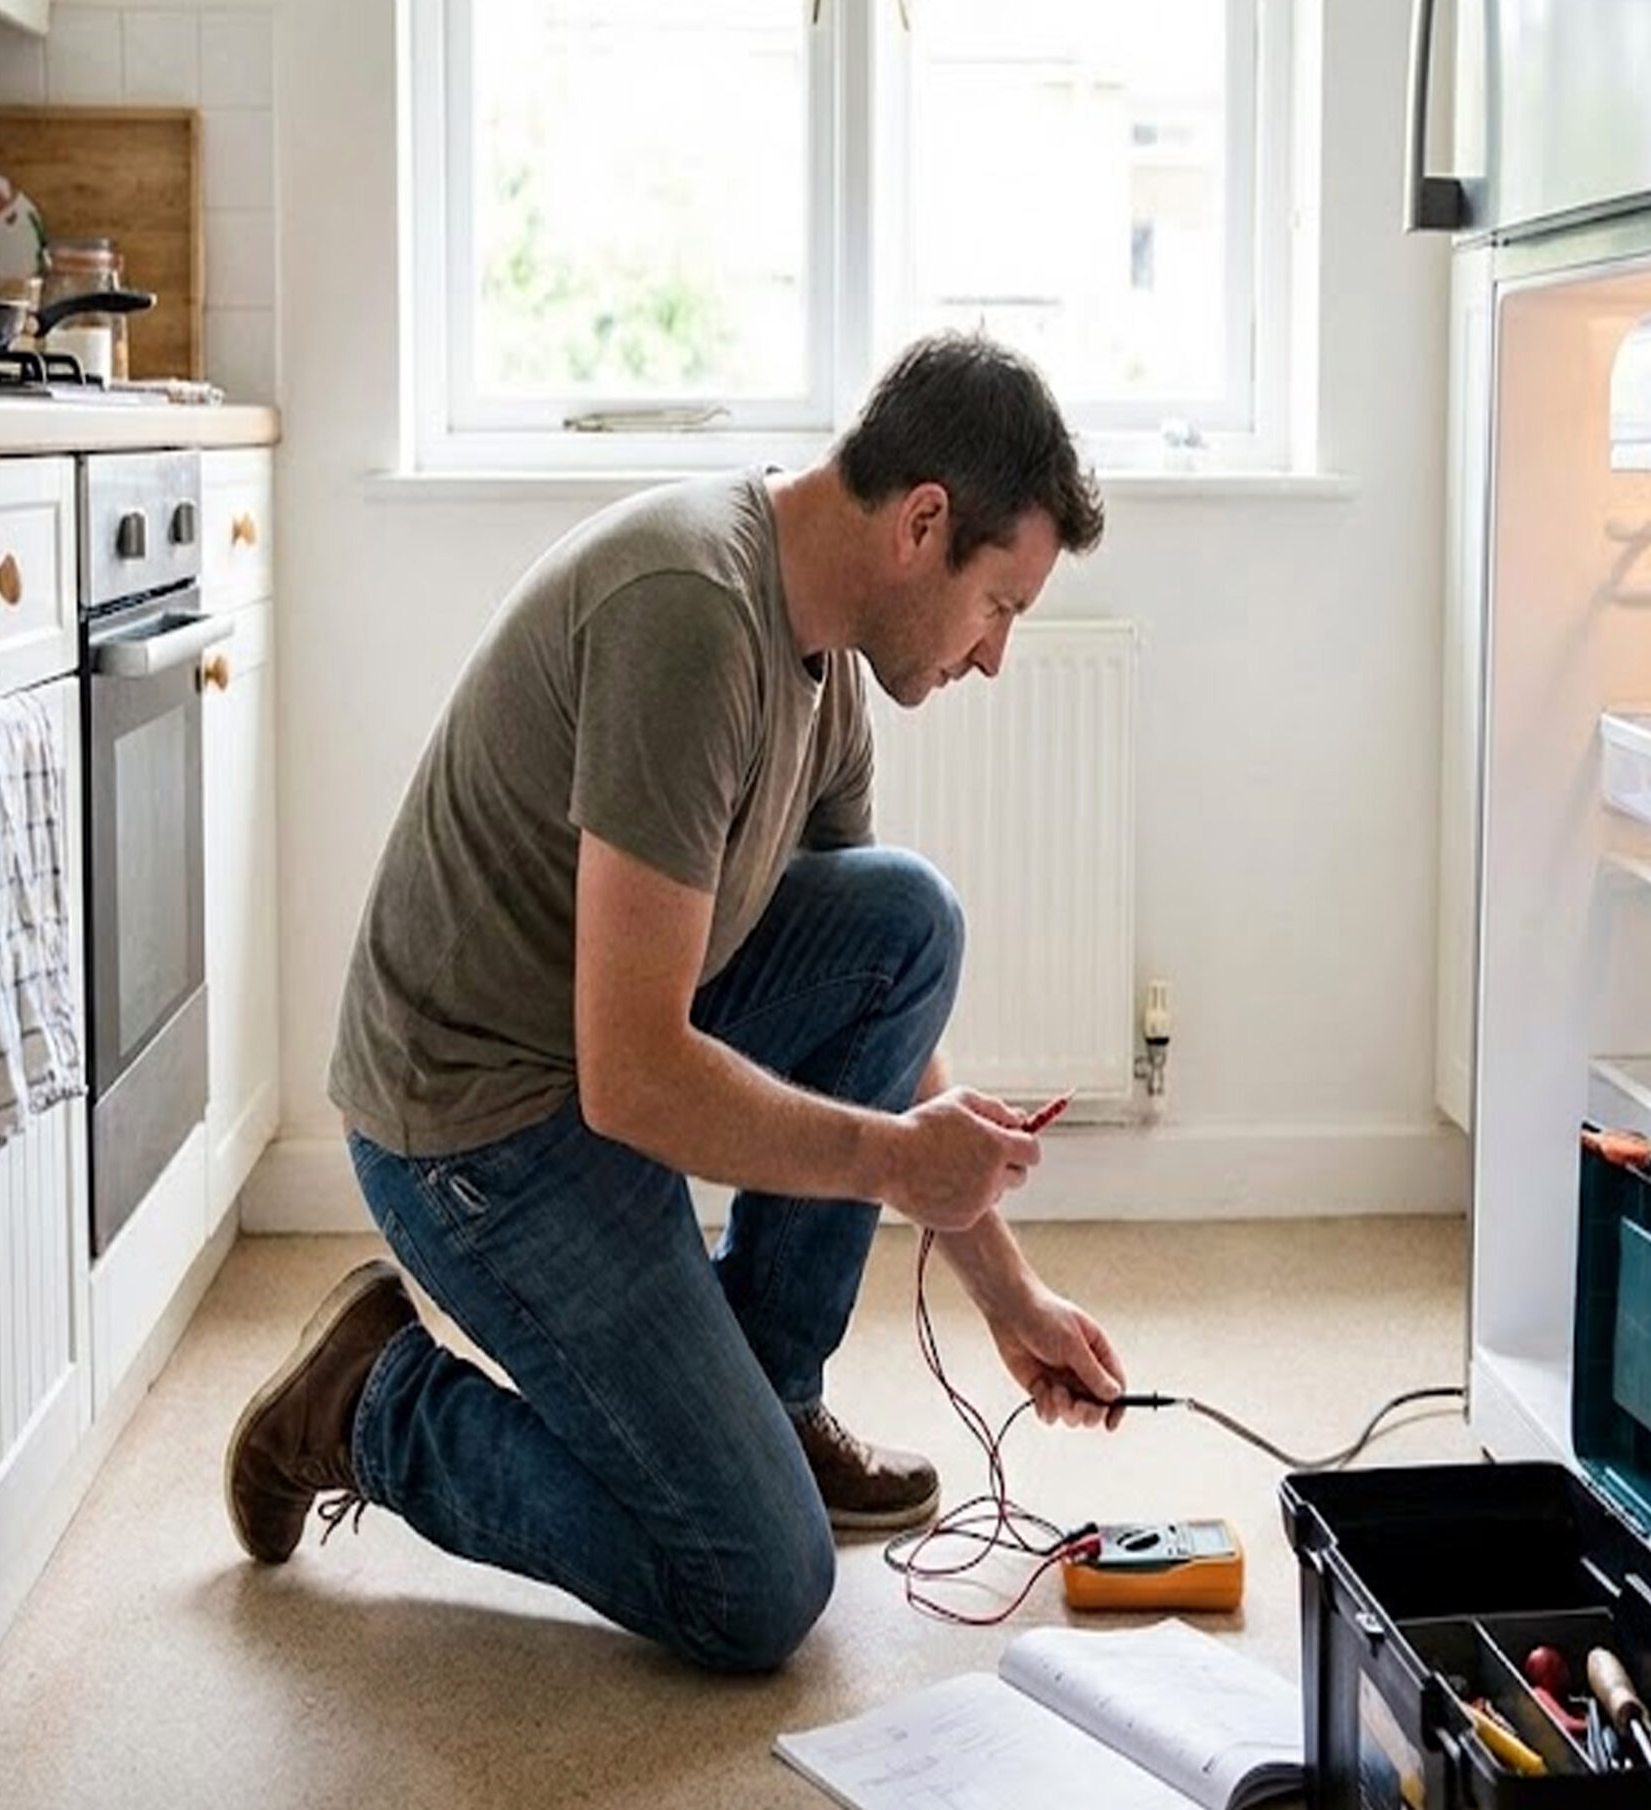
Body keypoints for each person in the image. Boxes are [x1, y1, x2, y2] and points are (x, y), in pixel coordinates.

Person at [225, 331, 1123, 1673]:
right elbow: (636, 1077)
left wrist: (1011, 1295)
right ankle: (368, 1402)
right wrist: (893, 1164)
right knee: (756, 1584)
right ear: (923, 524)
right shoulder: (692, 614)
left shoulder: (827, 666)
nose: (994, 654)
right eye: (999, 604)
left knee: (906, 921)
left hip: (594, 1059)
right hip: (472, 1130)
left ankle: (768, 1396)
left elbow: (875, 1029)